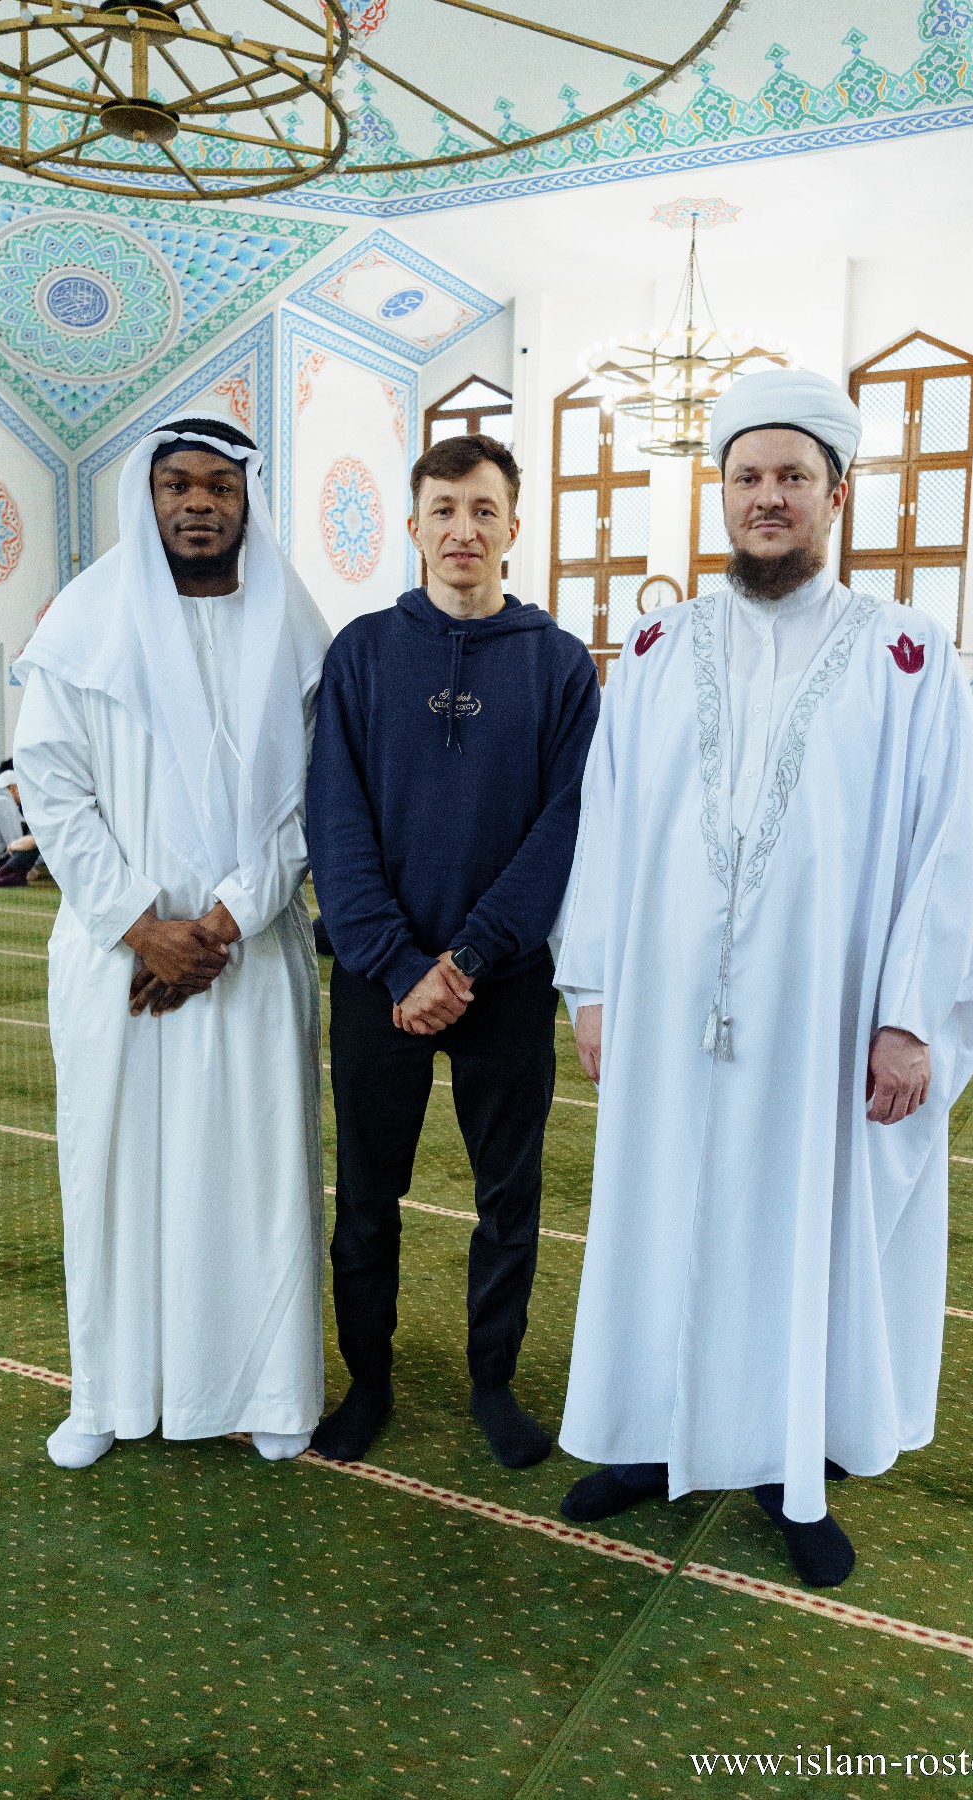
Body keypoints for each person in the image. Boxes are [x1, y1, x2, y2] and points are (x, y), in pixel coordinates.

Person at [553, 369, 973, 1587]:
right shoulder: (655, 648)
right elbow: (605, 826)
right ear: (719, 493)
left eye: (792, 478)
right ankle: (650, 1435)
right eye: (748, 477)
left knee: (793, 1227)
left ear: (835, 495)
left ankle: (787, 1460)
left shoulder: (907, 655)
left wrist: (908, 1019)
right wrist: (590, 987)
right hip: (665, 1014)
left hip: (825, 1016)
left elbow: (949, 852)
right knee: (662, 1211)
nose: (769, 498)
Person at [13, 412, 330, 1471]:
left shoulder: (292, 624)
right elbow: (53, 790)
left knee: (256, 1175)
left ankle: (270, 1390)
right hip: (119, 962)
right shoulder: (85, 622)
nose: (198, 504)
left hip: (251, 956)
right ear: (147, 500)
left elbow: (314, 800)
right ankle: (107, 1395)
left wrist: (226, 920)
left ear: (246, 501)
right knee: (113, 1174)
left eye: (218, 487)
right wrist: (144, 928)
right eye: (177, 486)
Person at [306, 434, 599, 1468]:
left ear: (514, 526)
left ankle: (492, 1382)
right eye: (443, 509)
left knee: (507, 1200)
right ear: (413, 525)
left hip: (503, 984)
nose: (462, 529)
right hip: (378, 982)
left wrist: (468, 958)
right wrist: (399, 964)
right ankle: (367, 1382)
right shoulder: (361, 654)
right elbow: (333, 821)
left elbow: (565, 829)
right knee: (365, 1198)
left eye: (482, 510)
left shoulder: (559, 666)